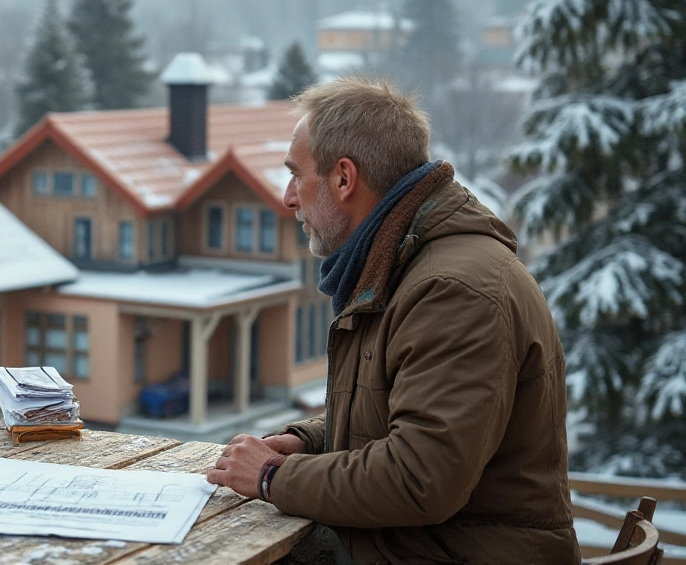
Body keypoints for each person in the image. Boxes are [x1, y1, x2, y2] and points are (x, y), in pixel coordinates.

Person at [207, 77, 579, 563]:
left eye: (297, 175)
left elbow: (420, 479)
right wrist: (309, 441)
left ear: (344, 178)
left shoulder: (451, 291)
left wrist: (271, 477)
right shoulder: (405, 267)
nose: (288, 197)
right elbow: (403, 415)